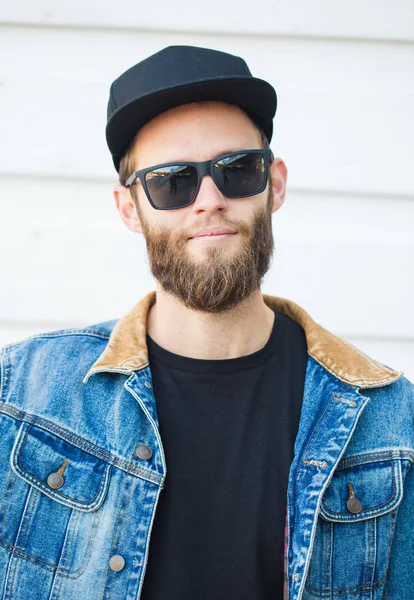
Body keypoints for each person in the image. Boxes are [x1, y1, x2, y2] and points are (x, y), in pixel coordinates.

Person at [0, 45, 412, 600]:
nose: (210, 201)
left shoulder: (391, 423)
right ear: (129, 209)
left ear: (276, 184)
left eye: (238, 170)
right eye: (172, 181)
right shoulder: (22, 396)